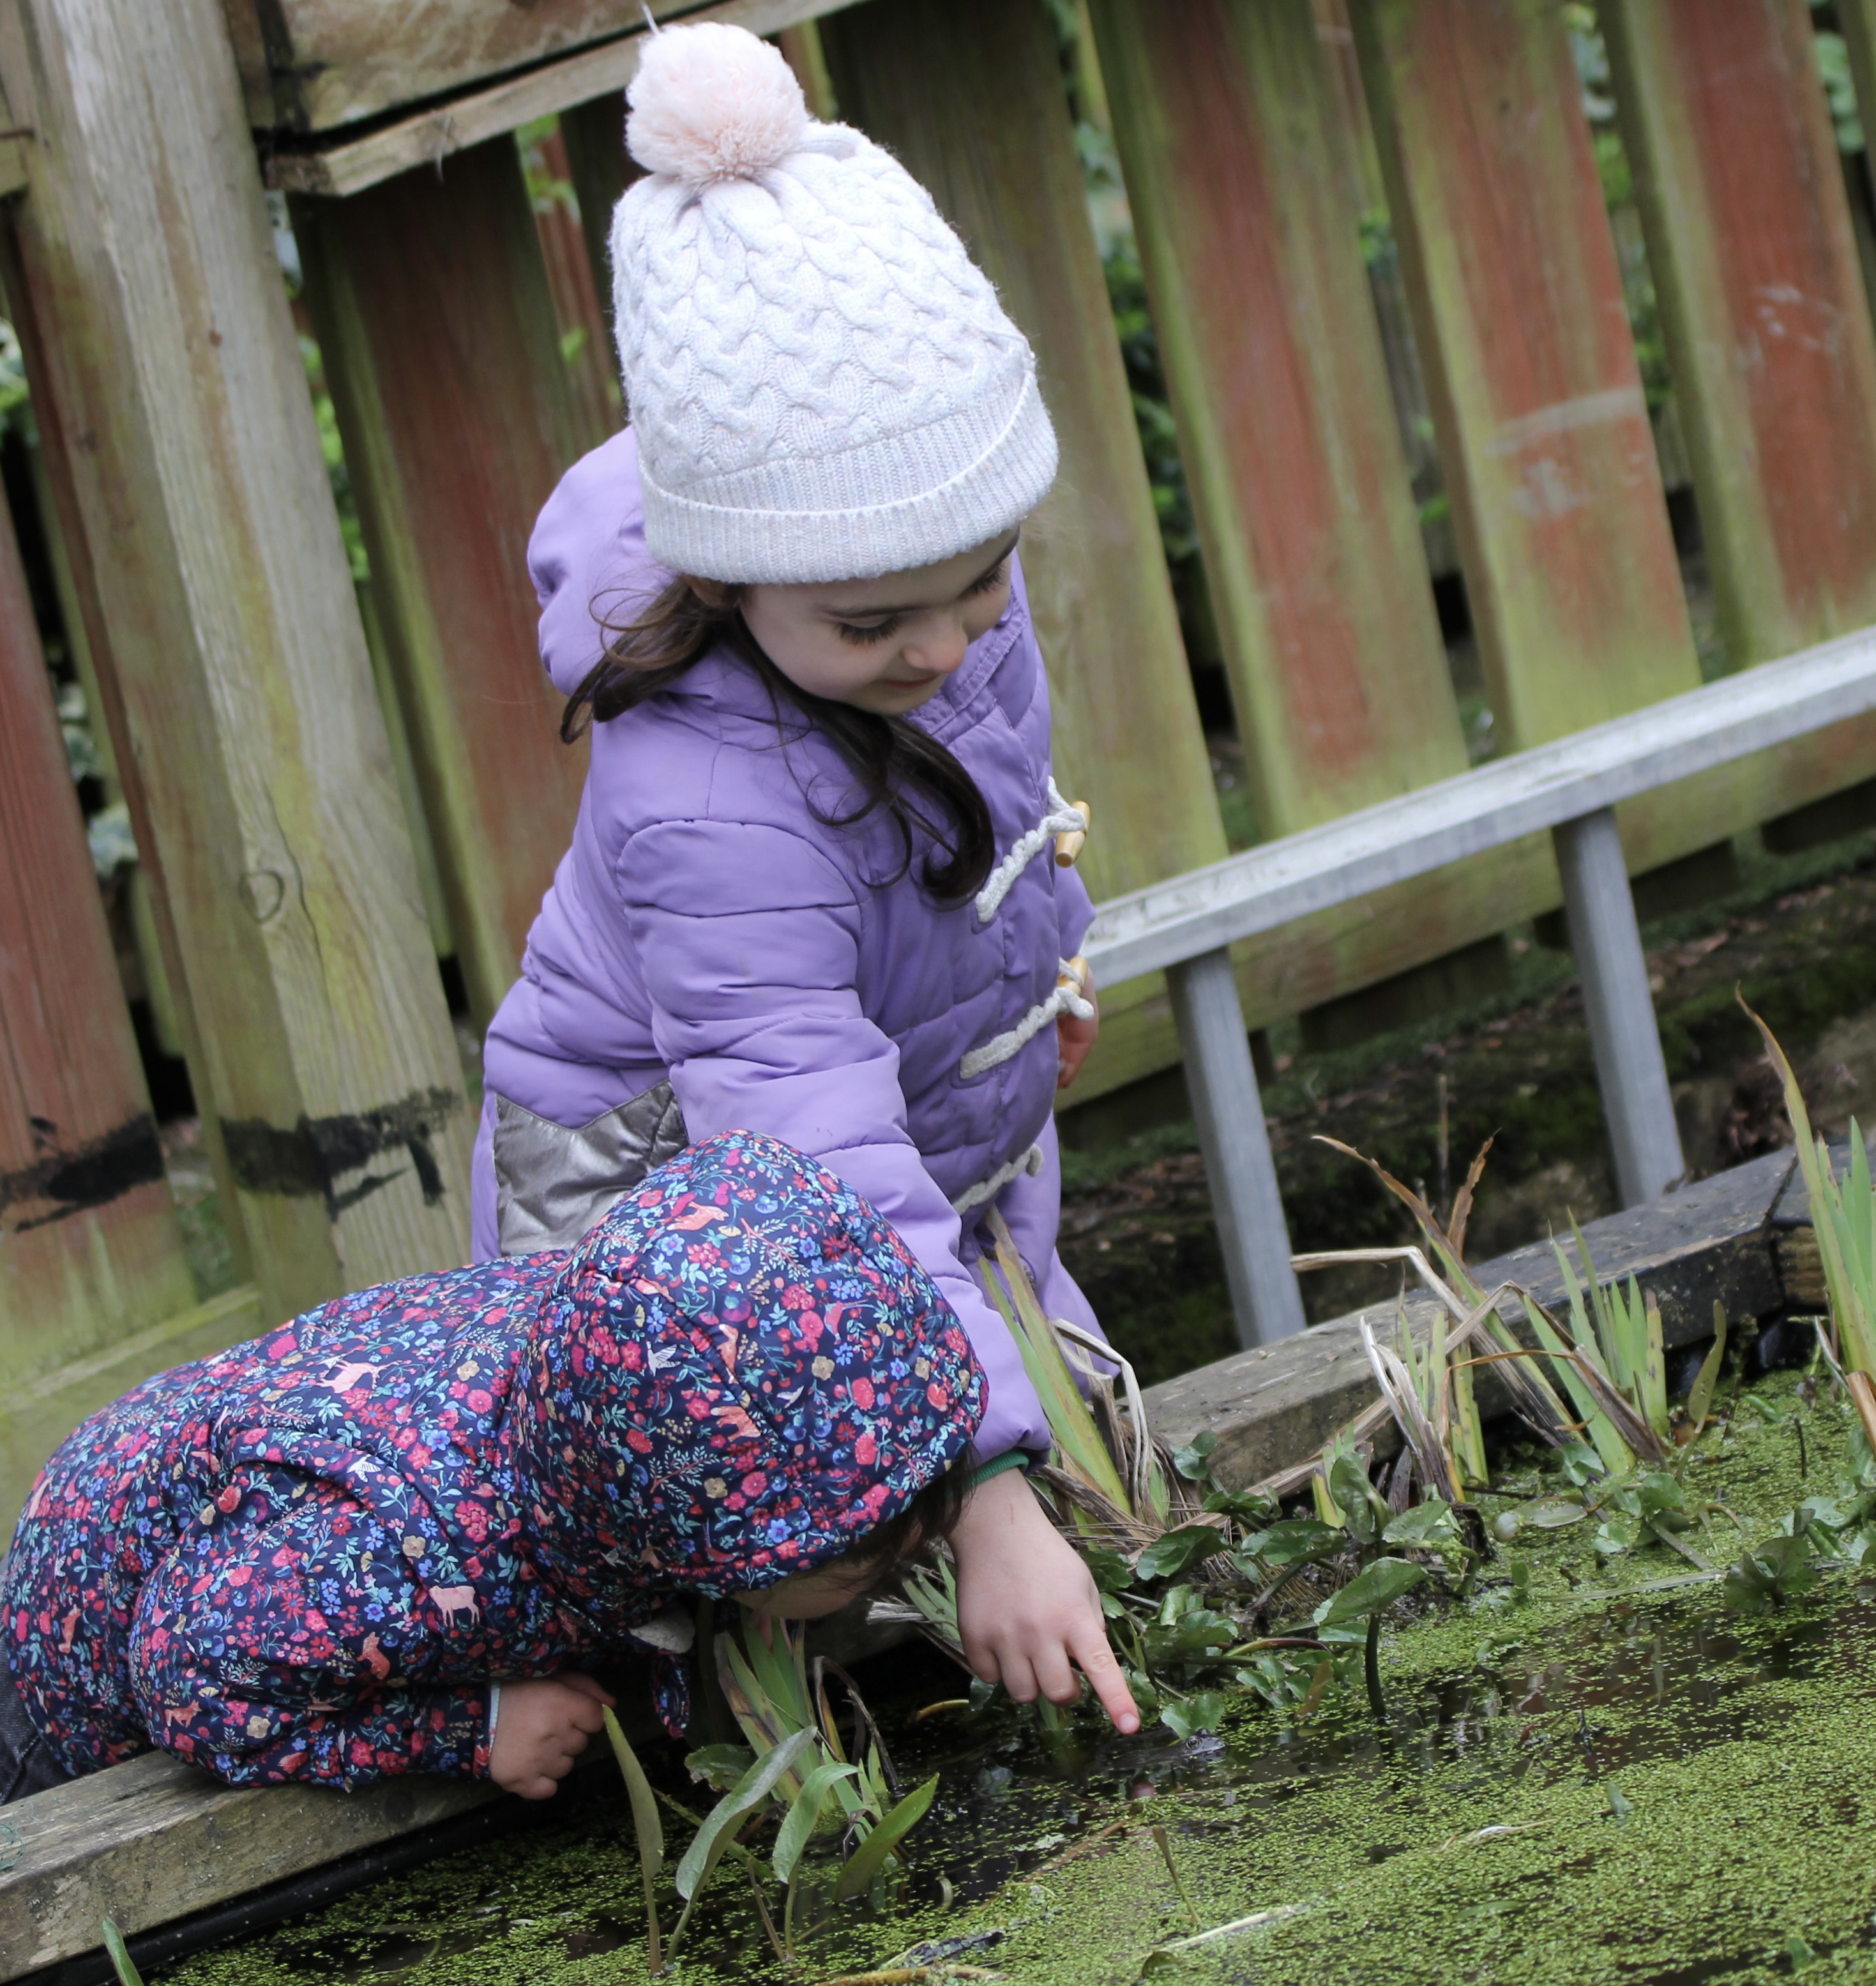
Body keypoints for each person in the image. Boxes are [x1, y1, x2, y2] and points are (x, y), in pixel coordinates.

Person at [474, 22, 1135, 1731]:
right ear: (729, 578)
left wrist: (1029, 982)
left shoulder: (918, 606)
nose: (944, 644)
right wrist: (980, 1483)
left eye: (981, 582)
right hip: (666, 1182)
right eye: (873, 620)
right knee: (767, 1586)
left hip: (895, 1116)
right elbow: (807, 1149)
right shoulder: (708, 803)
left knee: (1043, 1515)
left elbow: (979, 815)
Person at [2, 1134, 1002, 1801]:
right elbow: (186, 1675)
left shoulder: (621, 1367)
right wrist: (468, 1731)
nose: (913, 1546)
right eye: (867, 1556)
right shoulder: (400, 1557)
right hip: (79, 1656)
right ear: (699, 1535)